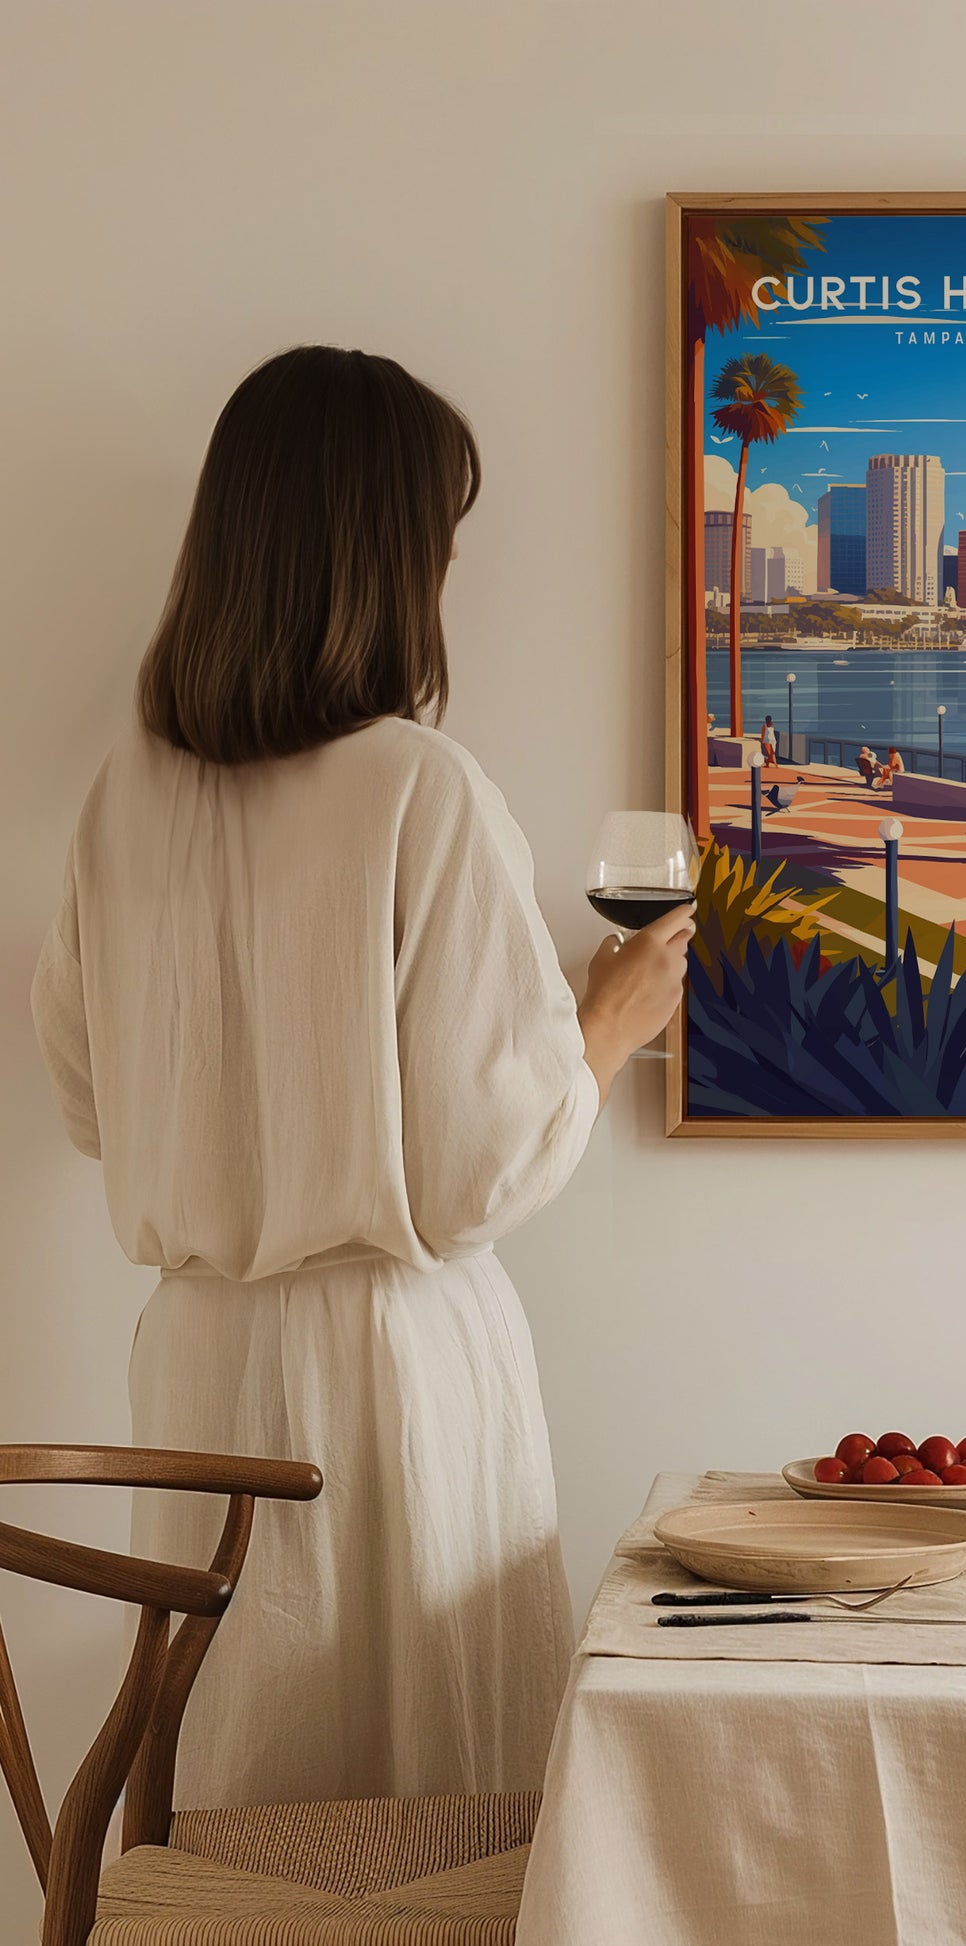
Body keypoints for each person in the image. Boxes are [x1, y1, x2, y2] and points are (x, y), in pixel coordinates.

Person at [30, 346, 692, 1809]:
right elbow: (476, 1172)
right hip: (392, 1370)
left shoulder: (123, 796)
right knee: (426, 1809)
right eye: (438, 545)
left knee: (241, 1792)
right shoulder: (418, 786)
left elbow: (88, 1100)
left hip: (195, 1362)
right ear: (386, 556)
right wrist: (607, 1021)